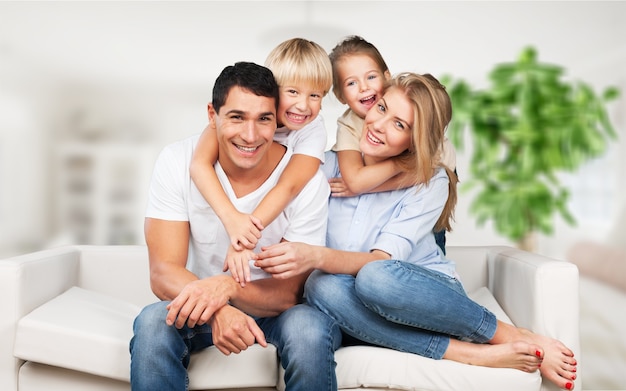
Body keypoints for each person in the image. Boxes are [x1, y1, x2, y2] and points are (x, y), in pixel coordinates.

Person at [255, 72, 578, 391]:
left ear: (416, 139)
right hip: (350, 306)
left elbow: (379, 261)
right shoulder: (324, 166)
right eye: (381, 108)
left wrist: (316, 255)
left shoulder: (429, 181)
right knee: (320, 287)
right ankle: (467, 354)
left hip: (420, 297)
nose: (379, 125)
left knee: (375, 276)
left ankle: (512, 335)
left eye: (400, 125)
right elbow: (264, 150)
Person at [129, 61, 341, 391]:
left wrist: (228, 288)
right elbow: (163, 271)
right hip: (201, 303)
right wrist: (218, 310)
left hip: (275, 312)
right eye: (237, 117)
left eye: (264, 119)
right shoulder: (177, 160)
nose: (250, 135)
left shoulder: (307, 181)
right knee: (154, 322)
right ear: (212, 116)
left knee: (309, 328)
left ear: (278, 119)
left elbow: (289, 293)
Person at [189, 38, 332, 286]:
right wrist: (232, 220)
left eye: (315, 95)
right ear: (273, 91)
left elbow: (288, 186)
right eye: (293, 92)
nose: (303, 105)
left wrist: (244, 239)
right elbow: (199, 165)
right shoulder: (239, 112)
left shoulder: (313, 130)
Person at [328, 35, 456, 253]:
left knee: (429, 240)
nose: (364, 88)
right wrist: (402, 164)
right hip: (384, 201)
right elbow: (356, 181)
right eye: (351, 83)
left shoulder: (423, 125)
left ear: (387, 78)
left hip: (423, 202)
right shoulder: (349, 124)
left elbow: (431, 174)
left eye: (371, 77)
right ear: (340, 96)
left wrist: (400, 166)